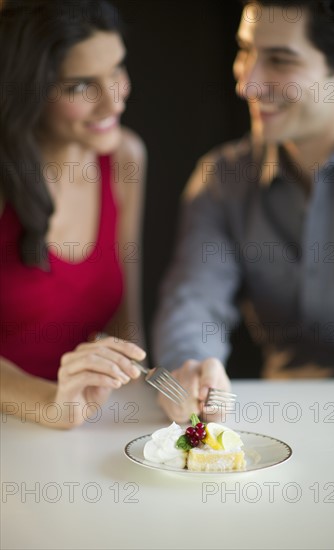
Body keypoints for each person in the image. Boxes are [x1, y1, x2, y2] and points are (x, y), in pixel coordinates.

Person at [153, 0, 334, 421]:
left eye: (279, 60)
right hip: (278, 421)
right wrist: (192, 369)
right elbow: (193, 303)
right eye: (245, 52)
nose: (248, 84)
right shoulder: (224, 179)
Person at [0, 0, 147, 428]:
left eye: (117, 70)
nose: (113, 101)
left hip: (84, 423)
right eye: (81, 86)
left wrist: (156, 393)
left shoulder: (125, 158)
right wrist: (51, 402)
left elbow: (127, 327)